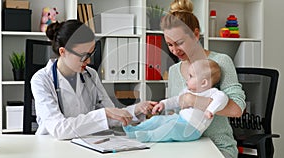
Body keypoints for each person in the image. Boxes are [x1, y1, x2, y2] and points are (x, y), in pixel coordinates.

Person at [31, 20, 156, 140]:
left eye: (91, 54)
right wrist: (104, 114)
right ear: (63, 52)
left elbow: (112, 115)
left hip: (86, 144)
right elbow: (59, 129)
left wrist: (137, 109)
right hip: (51, 148)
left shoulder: (90, 75)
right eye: (84, 56)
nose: (89, 61)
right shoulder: (42, 80)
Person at [159, 0, 246, 157]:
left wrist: (193, 100)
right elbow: (174, 111)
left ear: (196, 34)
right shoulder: (173, 71)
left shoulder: (221, 61)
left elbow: (237, 109)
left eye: (179, 43)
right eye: (169, 45)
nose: (174, 50)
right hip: (186, 145)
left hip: (218, 147)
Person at [123, 59, 228, 142]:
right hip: (180, 119)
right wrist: (163, 104)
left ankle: (150, 136)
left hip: (192, 129)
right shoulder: (188, 90)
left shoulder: (212, 92)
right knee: (158, 120)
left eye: (191, 76)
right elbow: (176, 100)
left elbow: (222, 99)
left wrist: (211, 110)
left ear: (204, 83)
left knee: (171, 129)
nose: (187, 79)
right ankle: (135, 130)